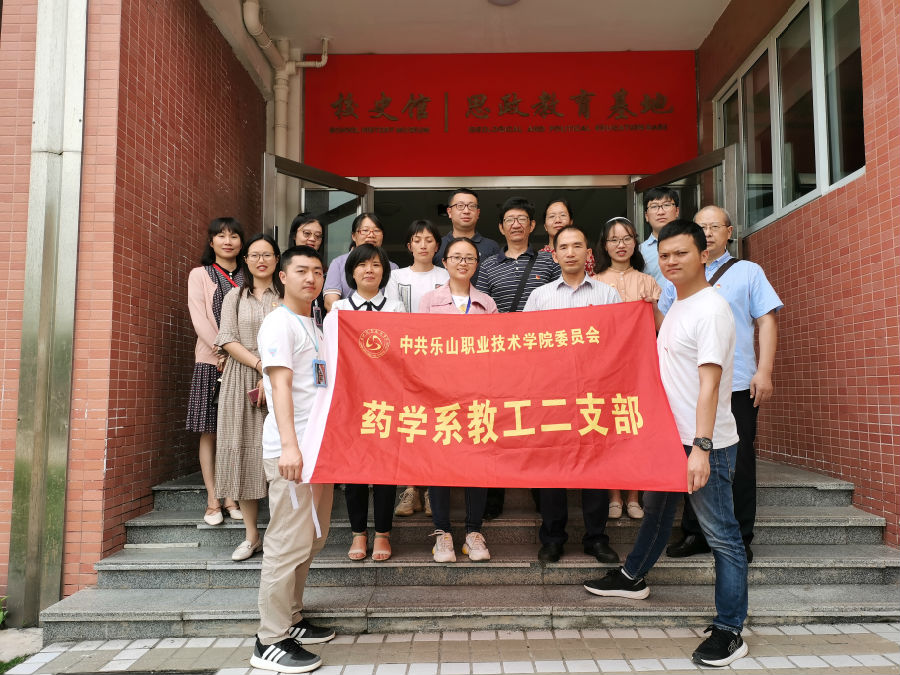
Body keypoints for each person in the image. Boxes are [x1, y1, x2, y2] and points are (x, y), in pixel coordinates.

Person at [584, 220, 749, 669]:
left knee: (723, 536)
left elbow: (710, 384)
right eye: (666, 255)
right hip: (669, 438)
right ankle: (633, 577)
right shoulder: (679, 304)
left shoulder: (711, 309)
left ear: (703, 255)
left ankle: (730, 629)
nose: (672, 261)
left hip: (703, 443)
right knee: (657, 512)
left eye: (681, 253)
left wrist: (701, 448)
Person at [662, 205, 783, 564]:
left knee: (738, 462)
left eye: (715, 226)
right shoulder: (676, 278)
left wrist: (765, 370)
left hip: (737, 384)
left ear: (729, 232)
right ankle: (694, 532)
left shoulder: (748, 272)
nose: (708, 232)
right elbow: (664, 323)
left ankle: (740, 536)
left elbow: (767, 320)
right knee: (691, 457)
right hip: (690, 389)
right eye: (701, 226)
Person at [250, 245, 335, 674]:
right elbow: (279, 387)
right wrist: (289, 447)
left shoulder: (315, 324)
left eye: (317, 271)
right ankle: (269, 639)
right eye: (301, 270)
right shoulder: (279, 323)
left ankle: (292, 617)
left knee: (311, 539)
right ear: (282, 277)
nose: (310, 278)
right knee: (286, 543)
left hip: (318, 451)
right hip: (293, 452)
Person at [523, 225, 622, 563]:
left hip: (594, 393)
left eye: (577, 246)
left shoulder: (607, 295)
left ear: (588, 253)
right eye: (563, 247)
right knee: (553, 466)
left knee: (596, 466)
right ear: (554, 254)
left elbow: (617, 342)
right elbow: (526, 345)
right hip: (552, 394)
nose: (570, 252)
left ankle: (596, 538)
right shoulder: (540, 296)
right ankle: (553, 538)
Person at [475, 196, 560, 519]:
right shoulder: (488, 266)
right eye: (509, 220)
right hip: (500, 359)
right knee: (497, 426)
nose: (515, 224)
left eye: (522, 219)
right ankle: (493, 499)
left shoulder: (548, 263)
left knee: (537, 426)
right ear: (501, 228)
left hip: (539, 360)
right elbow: (482, 309)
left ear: (532, 225)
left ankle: (541, 494)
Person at [419, 237, 497, 562]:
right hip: (439, 395)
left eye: (469, 258)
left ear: (477, 264)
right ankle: (442, 533)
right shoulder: (428, 301)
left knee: (477, 463)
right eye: (456, 257)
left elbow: (496, 350)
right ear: (445, 262)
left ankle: (473, 532)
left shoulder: (486, 303)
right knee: (440, 464)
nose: (462, 263)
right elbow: (419, 347)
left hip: (477, 395)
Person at [331, 244, 404, 561]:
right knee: (354, 472)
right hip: (351, 402)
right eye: (362, 265)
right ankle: (358, 533)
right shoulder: (339, 310)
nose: (369, 270)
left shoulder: (397, 309)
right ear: (352, 271)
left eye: (376, 264)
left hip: (387, 400)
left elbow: (402, 355)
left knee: (386, 471)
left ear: (384, 271)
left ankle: (383, 534)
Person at [214, 234, 283, 561]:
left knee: (279, 453)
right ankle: (252, 535)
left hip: (281, 376)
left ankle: (280, 534)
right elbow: (227, 339)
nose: (260, 260)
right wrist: (259, 366)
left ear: (277, 259)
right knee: (242, 451)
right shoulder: (234, 296)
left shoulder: (285, 295)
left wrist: (270, 371)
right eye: (254, 255)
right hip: (241, 377)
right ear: (246, 260)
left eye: (267, 254)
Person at [593, 216, 664, 521]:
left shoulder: (649, 282)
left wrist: (654, 306)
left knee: (634, 429)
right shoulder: (594, 282)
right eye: (614, 239)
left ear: (635, 243)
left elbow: (663, 329)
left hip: (640, 369)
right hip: (605, 370)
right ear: (604, 245)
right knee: (608, 431)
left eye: (626, 238)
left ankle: (634, 496)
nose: (620, 245)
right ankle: (613, 496)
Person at [385, 219, 449, 518]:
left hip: (440, 360)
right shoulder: (396, 277)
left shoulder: (446, 275)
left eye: (429, 239)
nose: (423, 245)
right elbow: (393, 316)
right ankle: (411, 488)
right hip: (406, 360)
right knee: (410, 423)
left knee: (437, 424)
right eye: (417, 239)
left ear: (438, 246)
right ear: (409, 245)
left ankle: (434, 489)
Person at [187, 217, 245, 526]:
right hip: (211, 361)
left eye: (234, 236)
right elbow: (199, 318)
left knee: (236, 431)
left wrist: (241, 355)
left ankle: (232, 497)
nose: (228, 241)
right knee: (210, 430)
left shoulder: (249, 275)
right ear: (211, 242)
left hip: (243, 363)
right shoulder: (200, 274)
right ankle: (212, 500)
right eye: (221, 236)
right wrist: (222, 350)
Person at [322, 213, 398, 312]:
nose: (371, 235)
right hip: (347, 320)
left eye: (376, 231)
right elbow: (330, 303)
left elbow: (393, 306)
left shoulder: (393, 267)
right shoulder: (338, 263)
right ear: (354, 236)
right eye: (365, 230)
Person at [433, 188, 501, 271]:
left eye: (472, 206)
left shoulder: (491, 247)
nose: (466, 211)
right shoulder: (437, 246)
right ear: (449, 212)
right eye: (460, 206)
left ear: (478, 213)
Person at [539, 198, 595, 275]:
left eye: (562, 215)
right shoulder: (538, 257)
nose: (558, 220)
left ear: (571, 222)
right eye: (552, 216)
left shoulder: (584, 254)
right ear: (545, 226)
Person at [289, 213, 327, 327]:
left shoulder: (326, 273)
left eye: (318, 236)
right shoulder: (281, 267)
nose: (312, 239)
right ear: (294, 235)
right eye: (307, 233)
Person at [639, 187, 680, 284]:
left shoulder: (691, 244)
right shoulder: (639, 251)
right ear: (646, 216)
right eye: (654, 206)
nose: (661, 212)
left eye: (666, 205)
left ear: (677, 211)